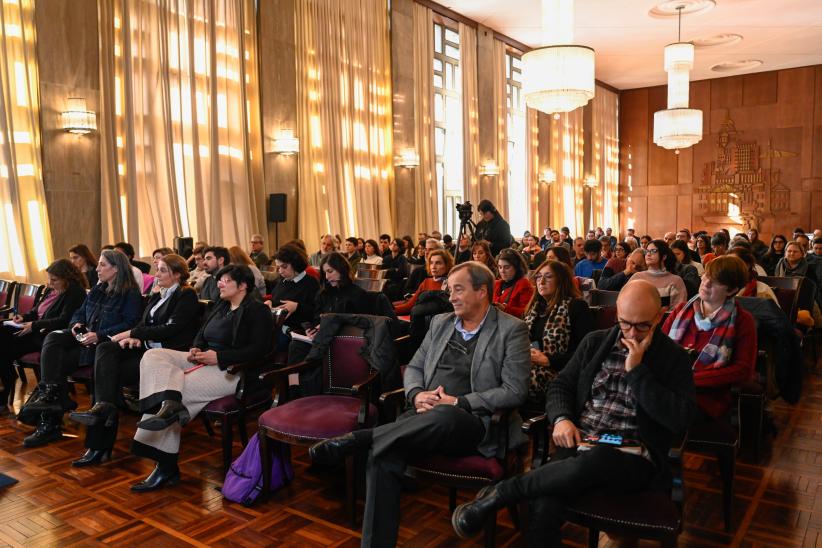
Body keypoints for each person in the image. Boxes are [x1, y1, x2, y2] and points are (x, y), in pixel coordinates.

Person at [450, 280, 695, 545]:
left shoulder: (675, 358)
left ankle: (502, 493)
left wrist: (637, 373)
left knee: (599, 458)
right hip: (581, 441)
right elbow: (560, 386)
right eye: (625, 323)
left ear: (659, 317)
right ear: (617, 315)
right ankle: (505, 494)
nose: (632, 334)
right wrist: (563, 419)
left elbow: (679, 418)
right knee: (543, 504)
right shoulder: (595, 343)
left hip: (634, 457)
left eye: (642, 325)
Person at [309, 261, 530, 547]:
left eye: (458, 290)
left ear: (482, 291)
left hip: (474, 424)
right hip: (422, 415)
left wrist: (458, 402)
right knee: (382, 454)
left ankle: (360, 438)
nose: (451, 297)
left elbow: (515, 390)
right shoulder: (440, 323)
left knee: (446, 416)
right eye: (449, 290)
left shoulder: (511, 329)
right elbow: (413, 367)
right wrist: (415, 394)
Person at [129, 264, 273, 492]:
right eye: (219, 280)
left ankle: (165, 467)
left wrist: (220, 357)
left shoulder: (257, 310)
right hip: (203, 360)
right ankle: (168, 404)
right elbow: (200, 334)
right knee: (153, 355)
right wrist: (196, 349)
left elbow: (260, 351)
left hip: (231, 370)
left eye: (225, 280)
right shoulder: (220, 306)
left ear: (243, 285)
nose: (219, 283)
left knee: (176, 392)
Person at [68, 255, 199, 466]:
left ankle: (99, 443)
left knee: (105, 379)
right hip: (146, 351)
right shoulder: (159, 295)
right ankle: (103, 413)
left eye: (163, 270)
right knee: (106, 349)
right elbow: (144, 322)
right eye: (158, 270)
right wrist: (136, 337)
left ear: (177, 274)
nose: (157, 274)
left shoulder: (187, 295)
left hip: (166, 357)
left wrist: (135, 333)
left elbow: (171, 329)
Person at [19, 250, 142, 447]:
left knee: (57, 364)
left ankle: (50, 420)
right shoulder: (98, 289)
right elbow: (79, 313)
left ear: (116, 269)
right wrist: (76, 325)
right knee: (54, 338)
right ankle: (51, 397)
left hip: (104, 345)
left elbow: (130, 324)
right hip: (84, 338)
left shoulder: (130, 294)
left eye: (102, 265)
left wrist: (99, 335)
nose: (98, 269)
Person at [663, 255, 757, 420]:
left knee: (661, 407)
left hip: (708, 395)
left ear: (732, 290)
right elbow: (658, 347)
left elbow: (743, 370)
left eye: (715, 281)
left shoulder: (743, 320)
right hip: (668, 385)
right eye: (706, 276)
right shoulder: (681, 311)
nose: (706, 283)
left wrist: (691, 380)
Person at [0, 259, 87, 413]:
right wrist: (24, 317)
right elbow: (36, 311)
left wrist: (34, 325)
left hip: (46, 336)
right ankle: (6, 385)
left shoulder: (74, 292)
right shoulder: (51, 290)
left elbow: (64, 320)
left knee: (3, 347)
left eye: (54, 280)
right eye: (49, 279)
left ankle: (5, 391)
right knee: (2, 336)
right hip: (34, 330)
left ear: (67, 278)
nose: (50, 283)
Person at [524, 260, 592, 403]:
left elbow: (586, 352)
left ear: (561, 281)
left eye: (548, 277)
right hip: (527, 365)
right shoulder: (535, 308)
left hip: (559, 372)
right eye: (538, 277)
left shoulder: (576, 306)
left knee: (514, 380)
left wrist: (548, 360)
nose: (541, 281)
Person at [268, 244, 320, 347]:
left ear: (296, 264)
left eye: (284, 267)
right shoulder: (283, 280)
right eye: (278, 267)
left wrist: (297, 307)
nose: (280, 271)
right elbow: (275, 299)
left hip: (295, 331)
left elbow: (316, 313)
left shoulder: (310, 283)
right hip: (276, 326)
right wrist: (270, 302)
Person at [630, 239, 688, 307]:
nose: (648, 254)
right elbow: (626, 302)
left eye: (653, 251)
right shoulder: (637, 277)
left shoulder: (675, 281)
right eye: (647, 251)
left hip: (665, 317)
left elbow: (677, 311)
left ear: (664, 256)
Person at [393, 249, 453, 315]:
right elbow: (410, 304)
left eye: (438, 263)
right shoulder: (426, 282)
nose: (433, 267)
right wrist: (389, 311)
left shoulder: (451, 284)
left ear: (447, 265)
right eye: (431, 263)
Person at [493, 249, 534, 319]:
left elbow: (527, 312)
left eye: (507, 267)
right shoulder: (496, 283)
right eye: (500, 267)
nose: (502, 271)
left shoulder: (524, 284)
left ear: (517, 268)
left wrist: (505, 309)